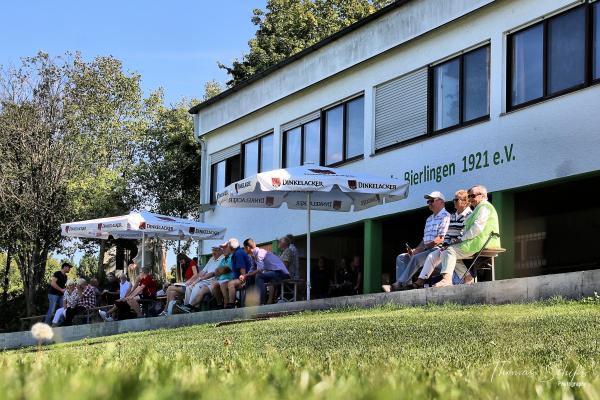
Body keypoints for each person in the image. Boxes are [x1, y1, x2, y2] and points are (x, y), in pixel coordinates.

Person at [434, 185, 501, 287]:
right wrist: (459, 239)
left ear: (482, 196)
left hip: (483, 241)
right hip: (475, 240)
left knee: (449, 251)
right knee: (445, 251)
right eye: (469, 196)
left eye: (472, 196)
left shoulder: (484, 207)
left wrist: (461, 239)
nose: (470, 199)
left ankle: (446, 280)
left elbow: (477, 228)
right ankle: (467, 277)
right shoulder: (477, 209)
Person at [387, 191, 450, 291]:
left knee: (416, 258)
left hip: (439, 252)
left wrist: (422, 249)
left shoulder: (446, 216)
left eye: (432, 201)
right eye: (428, 201)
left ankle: (400, 284)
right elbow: (424, 240)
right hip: (426, 252)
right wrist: (416, 249)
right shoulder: (429, 219)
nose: (429, 203)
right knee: (402, 257)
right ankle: (405, 287)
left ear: (441, 202)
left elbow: (440, 239)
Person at [411, 190, 473, 289]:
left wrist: (451, 244)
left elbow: (464, 233)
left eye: (456, 199)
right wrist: (446, 243)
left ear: (465, 201)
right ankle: (420, 281)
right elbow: (448, 234)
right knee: (433, 255)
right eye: (454, 199)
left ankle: (447, 279)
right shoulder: (453, 215)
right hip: (451, 244)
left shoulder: (469, 215)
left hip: (462, 244)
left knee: (447, 252)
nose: (454, 202)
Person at [241, 238, 290, 305]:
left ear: (247, 248)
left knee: (259, 276)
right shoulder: (253, 256)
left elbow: (260, 269)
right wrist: (245, 276)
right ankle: (247, 303)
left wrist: (247, 275)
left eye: (244, 248)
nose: (244, 250)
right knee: (250, 277)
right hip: (275, 273)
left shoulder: (260, 253)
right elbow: (253, 268)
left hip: (281, 273)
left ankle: (260, 303)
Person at [181, 246, 224, 312]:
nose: (213, 252)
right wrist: (193, 280)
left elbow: (213, 273)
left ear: (221, 251)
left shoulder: (223, 259)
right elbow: (203, 271)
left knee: (196, 286)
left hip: (212, 280)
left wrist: (199, 279)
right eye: (213, 250)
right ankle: (186, 306)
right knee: (189, 286)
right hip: (205, 280)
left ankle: (192, 307)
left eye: (215, 250)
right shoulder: (212, 259)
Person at [224, 238, 252, 309]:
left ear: (231, 247)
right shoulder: (237, 253)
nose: (226, 248)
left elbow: (242, 269)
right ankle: (225, 304)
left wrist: (243, 281)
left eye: (227, 246)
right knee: (223, 284)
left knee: (231, 284)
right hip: (241, 277)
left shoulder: (238, 253)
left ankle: (231, 304)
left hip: (248, 278)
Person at [209, 243, 234, 308]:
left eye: (225, 249)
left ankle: (227, 303)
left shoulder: (231, 257)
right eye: (223, 249)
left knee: (222, 284)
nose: (223, 251)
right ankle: (219, 304)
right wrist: (220, 270)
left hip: (229, 278)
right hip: (221, 279)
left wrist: (220, 270)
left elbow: (226, 269)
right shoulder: (223, 259)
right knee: (214, 285)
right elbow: (216, 272)